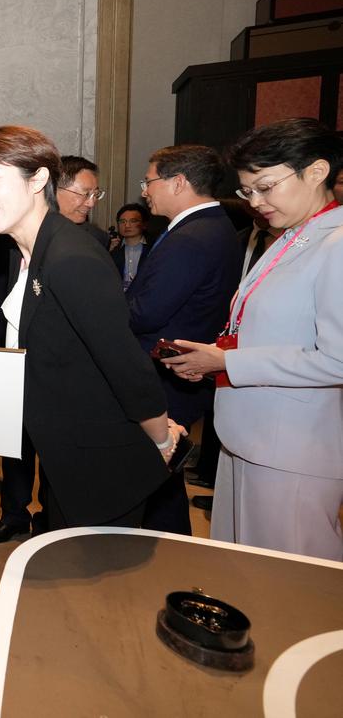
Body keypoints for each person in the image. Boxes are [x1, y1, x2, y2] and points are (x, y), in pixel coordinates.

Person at [0, 123, 181, 524]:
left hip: (102, 464)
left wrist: (162, 439)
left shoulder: (70, 257)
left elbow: (124, 364)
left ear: (37, 180)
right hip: (65, 457)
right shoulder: (29, 251)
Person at [162, 118, 343, 560]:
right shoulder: (291, 238)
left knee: (290, 578)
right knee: (243, 569)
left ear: (316, 171)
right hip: (249, 435)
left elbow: (337, 359)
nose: (256, 203)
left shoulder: (336, 244)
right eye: (247, 191)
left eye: (265, 187)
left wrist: (228, 363)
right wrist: (213, 357)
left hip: (293, 447)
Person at [126, 144, 241, 534]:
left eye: (149, 181)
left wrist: (102, 308)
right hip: (180, 372)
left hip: (168, 374)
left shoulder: (193, 237)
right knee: (161, 480)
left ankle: (164, 551)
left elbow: (147, 312)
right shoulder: (212, 227)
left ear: (178, 182)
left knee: (154, 478)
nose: (145, 190)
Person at [57, 155, 110, 249]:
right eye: (86, 194)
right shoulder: (31, 231)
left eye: (96, 194)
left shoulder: (97, 239)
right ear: (54, 190)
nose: (91, 203)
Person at [110, 202, 149, 290]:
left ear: (144, 225)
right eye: (122, 221)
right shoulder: (113, 249)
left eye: (133, 221)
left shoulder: (154, 248)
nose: (127, 225)